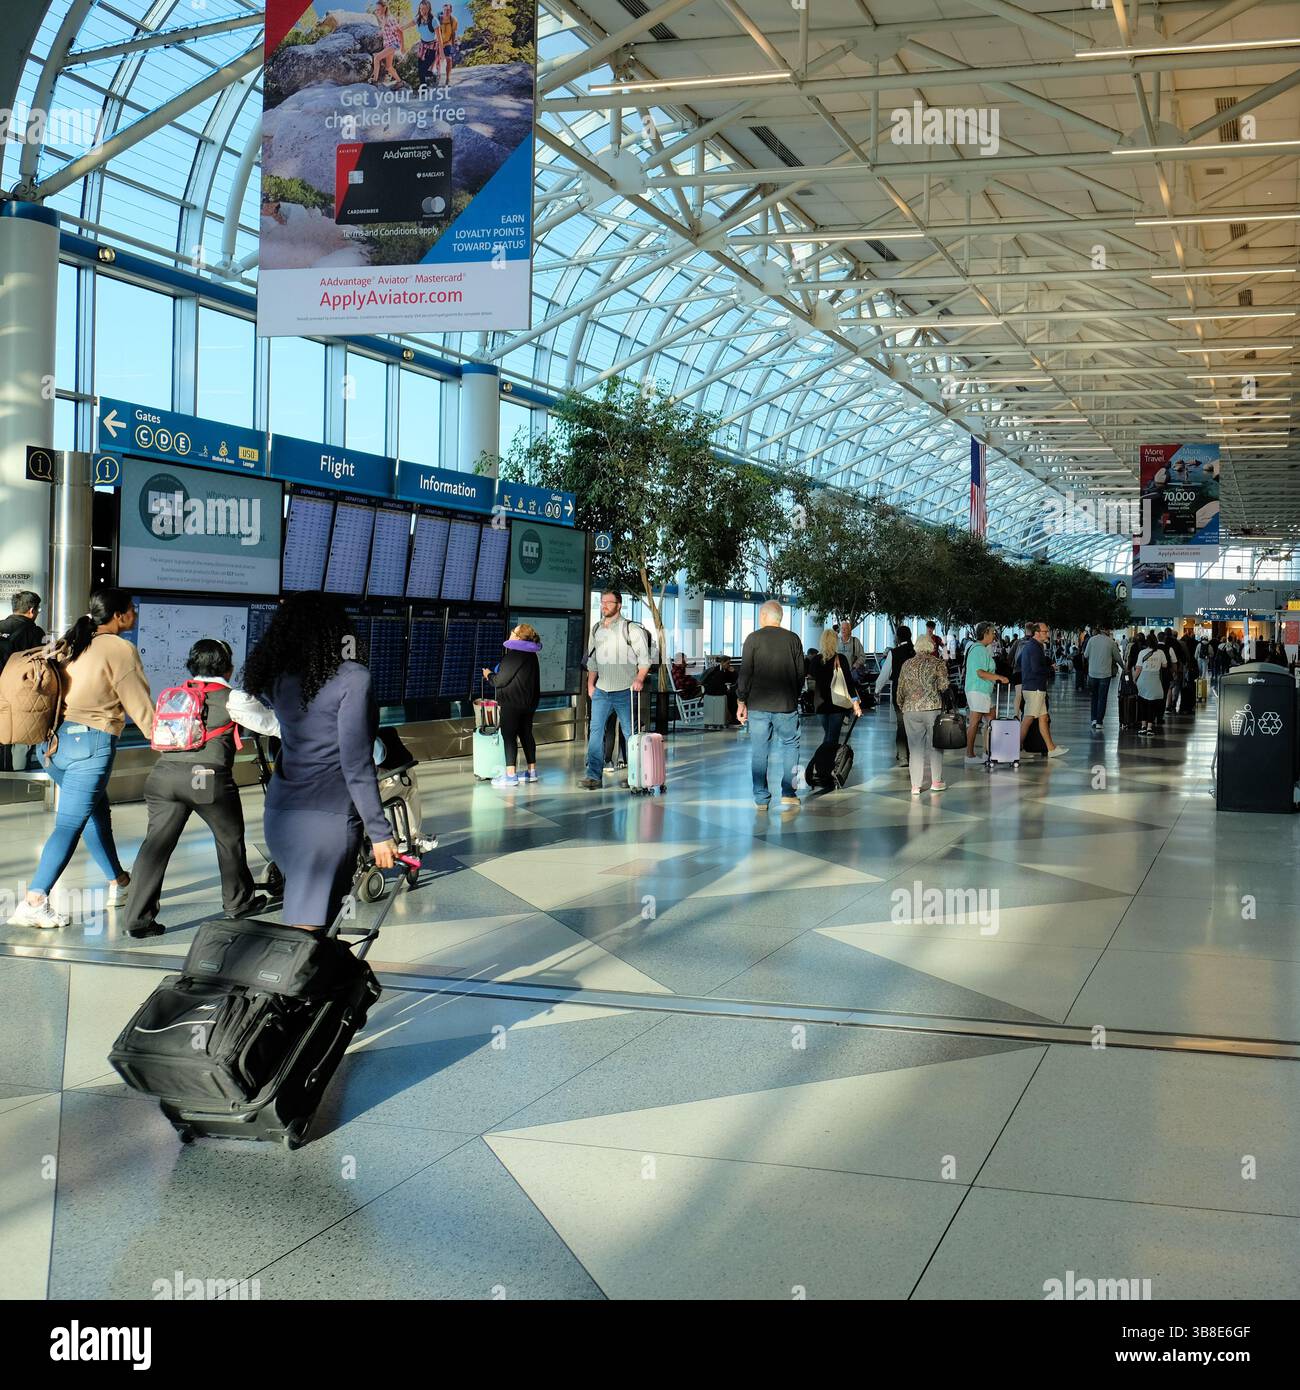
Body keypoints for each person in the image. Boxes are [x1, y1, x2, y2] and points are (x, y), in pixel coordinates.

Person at [243, 594, 397, 934]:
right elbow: (356, 763)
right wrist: (380, 832)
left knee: (314, 927)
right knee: (310, 936)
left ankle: (311, 984)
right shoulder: (353, 678)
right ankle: (295, 986)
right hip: (327, 820)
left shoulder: (279, 678)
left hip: (281, 816)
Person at [7, 588, 153, 930]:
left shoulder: (71, 643)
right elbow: (140, 705)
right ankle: (35, 900)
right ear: (118, 616)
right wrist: (167, 738)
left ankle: (119, 882)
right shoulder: (119, 649)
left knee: (94, 815)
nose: (135, 614)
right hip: (91, 746)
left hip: (54, 748)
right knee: (69, 824)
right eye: (131, 609)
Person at [121, 639, 279, 939]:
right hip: (204, 777)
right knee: (229, 839)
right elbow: (272, 726)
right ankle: (238, 903)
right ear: (228, 667)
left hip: (163, 777)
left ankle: (137, 919)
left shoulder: (178, 695)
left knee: (155, 847)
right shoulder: (232, 698)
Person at [736, 600, 805, 810]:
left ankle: (761, 798)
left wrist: (741, 701)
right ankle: (789, 792)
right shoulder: (793, 639)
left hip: (757, 706)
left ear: (765, 616)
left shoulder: (753, 639)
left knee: (759, 751)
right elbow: (801, 675)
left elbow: (745, 674)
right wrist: (793, 697)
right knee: (791, 746)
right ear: (780, 617)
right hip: (786, 705)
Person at [580, 592, 650, 790]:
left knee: (631, 735)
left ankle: (635, 776)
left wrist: (639, 678)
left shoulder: (631, 629)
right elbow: (592, 661)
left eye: (608, 603)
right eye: (601, 602)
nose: (603, 606)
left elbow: (644, 659)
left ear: (619, 605)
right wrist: (590, 686)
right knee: (595, 733)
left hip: (625, 691)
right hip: (601, 690)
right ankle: (593, 776)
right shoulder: (596, 629)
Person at [481, 623, 542, 788]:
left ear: (518, 637)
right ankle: (531, 772)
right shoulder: (531, 655)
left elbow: (500, 680)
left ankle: (510, 775)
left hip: (512, 703)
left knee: (509, 736)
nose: (510, 633)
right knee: (526, 734)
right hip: (529, 703)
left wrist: (489, 675)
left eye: (513, 631)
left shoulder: (514, 655)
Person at [897, 633, 950, 795]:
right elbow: (944, 686)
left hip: (911, 710)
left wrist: (901, 705)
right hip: (932, 709)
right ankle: (936, 781)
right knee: (935, 746)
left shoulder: (907, 664)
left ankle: (915, 786)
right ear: (931, 647)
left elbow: (900, 688)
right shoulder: (937, 663)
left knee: (915, 749)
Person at [0, 589, 45, 771]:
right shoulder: (34, 633)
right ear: (31, 610)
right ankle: (16, 786)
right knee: (21, 741)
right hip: (20, 697)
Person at [1019, 621, 1067, 758]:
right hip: (1035, 689)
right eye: (1045, 631)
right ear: (1037, 633)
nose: (1047, 634)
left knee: (1043, 718)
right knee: (1028, 719)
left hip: (1035, 687)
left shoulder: (1034, 646)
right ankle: (1016, 747)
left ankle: (1051, 748)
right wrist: (1051, 669)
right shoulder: (1034, 647)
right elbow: (1036, 669)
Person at [964, 621, 1009, 762]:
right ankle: (969, 755)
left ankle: (987, 751)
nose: (994, 635)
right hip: (978, 689)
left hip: (982, 690)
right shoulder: (978, 649)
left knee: (991, 717)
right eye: (992, 632)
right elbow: (980, 672)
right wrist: (999, 677)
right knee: (975, 721)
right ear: (985, 633)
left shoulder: (980, 648)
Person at [810, 628, 862, 747]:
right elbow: (849, 683)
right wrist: (855, 703)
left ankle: (823, 761)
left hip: (820, 704)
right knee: (832, 737)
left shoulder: (816, 660)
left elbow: (812, 675)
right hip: (837, 704)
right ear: (835, 642)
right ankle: (826, 762)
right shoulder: (841, 659)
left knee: (828, 734)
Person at [1084, 624, 1121, 731]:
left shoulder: (1091, 640)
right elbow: (1118, 658)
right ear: (1106, 630)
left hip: (1092, 673)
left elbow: (1086, 655)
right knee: (1102, 698)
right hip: (1105, 675)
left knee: (1094, 697)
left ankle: (1093, 719)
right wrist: (1124, 668)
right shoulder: (1111, 642)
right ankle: (1099, 722)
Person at [1134, 632, 1167, 737]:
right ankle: (1149, 728)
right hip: (1154, 680)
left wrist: (1134, 679)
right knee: (1152, 705)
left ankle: (1143, 726)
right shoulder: (1160, 652)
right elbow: (1165, 665)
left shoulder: (1142, 652)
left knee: (1143, 703)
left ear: (1146, 643)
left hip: (1143, 679)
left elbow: (1138, 668)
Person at [370, 1, 410, 87]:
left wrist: (403, 46)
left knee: (377, 58)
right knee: (388, 67)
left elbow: (400, 32)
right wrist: (380, 33)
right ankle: (400, 82)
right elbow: (386, 29)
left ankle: (374, 81)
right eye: (376, 10)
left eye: (378, 10)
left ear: (384, 8)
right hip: (388, 45)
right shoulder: (383, 19)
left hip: (394, 44)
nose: (377, 12)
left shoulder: (389, 19)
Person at [411, 0, 443, 86]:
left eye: (424, 9)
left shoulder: (434, 20)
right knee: (420, 70)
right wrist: (398, 29)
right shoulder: (418, 19)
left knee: (423, 70)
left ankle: (434, 75)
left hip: (432, 47)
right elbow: (407, 25)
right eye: (421, 9)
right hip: (422, 46)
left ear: (429, 9)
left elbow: (439, 38)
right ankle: (423, 89)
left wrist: (442, 53)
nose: (422, 11)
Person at [701, 654, 739, 725]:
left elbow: (732, 680)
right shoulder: (718, 672)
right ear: (722, 663)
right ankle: (732, 718)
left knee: (733, 695)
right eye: (727, 663)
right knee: (733, 696)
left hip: (716, 690)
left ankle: (732, 717)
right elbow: (720, 683)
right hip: (714, 691)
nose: (729, 665)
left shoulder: (723, 670)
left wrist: (733, 672)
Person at [436, 3, 459, 86]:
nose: (446, 12)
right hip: (438, 42)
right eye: (445, 10)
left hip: (447, 43)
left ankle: (448, 79)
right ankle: (437, 76)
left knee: (449, 59)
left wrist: (453, 45)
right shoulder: (438, 19)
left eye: (448, 10)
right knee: (437, 59)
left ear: (451, 11)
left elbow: (453, 33)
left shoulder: (454, 20)